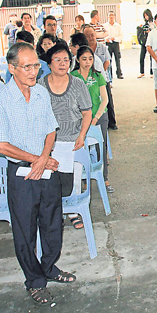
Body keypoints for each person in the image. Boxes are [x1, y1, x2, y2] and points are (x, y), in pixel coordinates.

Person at [0, 42, 76, 305]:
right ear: (12, 68)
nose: (34, 71)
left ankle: (49, 267)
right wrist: (36, 160)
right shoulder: (3, 99)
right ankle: (34, 281)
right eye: (27, 66)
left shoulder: (41, 93)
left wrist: (44, 158)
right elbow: (2, 144)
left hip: (44, 169)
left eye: (36, 65)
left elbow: (51, 129)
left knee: (53, 223)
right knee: (25, 231)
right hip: (22, 174)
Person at [38, 43, 92, 230]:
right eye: (58, 60)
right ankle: (55, 213)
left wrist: (82, 136)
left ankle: (73, 211)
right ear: (50, 63)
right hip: (48, 143)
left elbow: (87, 112)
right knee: (50, 181)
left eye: (66, 60)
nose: (63, 64)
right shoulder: (40, 85)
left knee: (72, 180)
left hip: (72, 140)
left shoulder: (77, 84)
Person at [70, 46, 112, 192]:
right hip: (79, 120)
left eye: (90, 59)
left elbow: (105, 100)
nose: (88, 62)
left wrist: (95, 119)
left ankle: (105, 179)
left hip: (99, 117)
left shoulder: (98, 76)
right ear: (77, 60)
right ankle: (84, 180)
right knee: (82, 149)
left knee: (101, 147)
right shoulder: (73, 76)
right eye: (84, 59)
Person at [83, 26, 117, 132]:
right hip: (89, 81)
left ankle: (112, 122)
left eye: (92, 35)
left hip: (102, 78)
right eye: (87, 36)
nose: (91, 38)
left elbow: (107, 61)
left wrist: (98, 76)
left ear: (95, 35)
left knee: (108, 101)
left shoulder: (102, 47)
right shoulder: (84, 50)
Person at [103, 10, 123, 79]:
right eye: (110, 15)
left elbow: (120, 36)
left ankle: (119, 73)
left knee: (117, 59)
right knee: (109, 59)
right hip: (108, 44)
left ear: (114, 16)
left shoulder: (118, 26)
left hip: (115, 43)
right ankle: (109, 74)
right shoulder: (104, 26)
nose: (111, 17)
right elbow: (103, 35)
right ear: (107, 17)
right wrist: (106, 39)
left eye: (112, 15)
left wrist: (114, 38)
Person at [138, 9, 154, 78]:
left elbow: (154, 31)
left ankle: (152, 72)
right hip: (144, 41)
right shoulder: (144, 23)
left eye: (147, 15)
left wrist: (150, 30)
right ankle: (142, 72)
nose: (146, 17)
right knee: (142, 57)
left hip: (151, 41)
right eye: (144, 16)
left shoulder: (153, 23)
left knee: (151, 57)